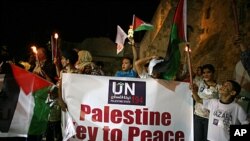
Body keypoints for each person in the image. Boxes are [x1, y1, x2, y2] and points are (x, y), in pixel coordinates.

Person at [192, 64, 221, 141]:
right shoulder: (199, 83)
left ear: (213, 73)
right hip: (198, 115)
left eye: (208, 72)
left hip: (210, 118)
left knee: (208, 139)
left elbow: (220, 103)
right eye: (204, 72)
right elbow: (193, 94)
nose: (206, 74)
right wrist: (192, 89)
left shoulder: (219, 87)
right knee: (197, 138)